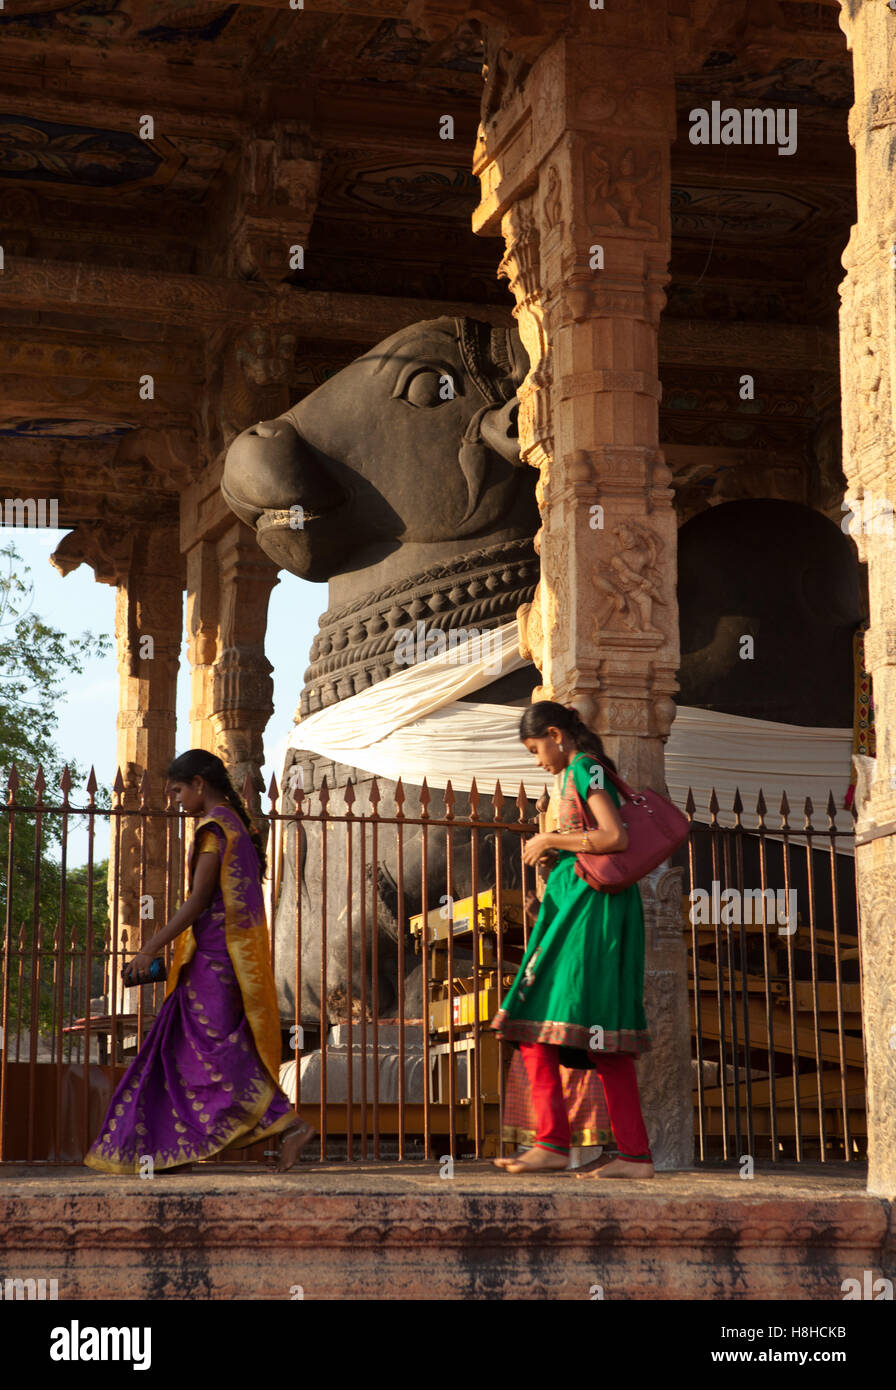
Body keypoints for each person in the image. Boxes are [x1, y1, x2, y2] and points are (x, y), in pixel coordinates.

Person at [84, 750, 314, 1175]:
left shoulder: (213, 829)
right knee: (186, 1049)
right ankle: (178, 1145)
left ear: (199, 785)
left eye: (177, 790)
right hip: (224, 957)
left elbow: (198, 901)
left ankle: (289, 1125)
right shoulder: (237, 824)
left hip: (216, 958)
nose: (174, 799)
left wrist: (151, 945)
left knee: (210, 1052)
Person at [491, 701, 654, 1178]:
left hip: (592, 910)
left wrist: (550, 842)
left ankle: (560, 1145)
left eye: (535, 747)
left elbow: (614, 836)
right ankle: (623, 1153)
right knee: (577, 1029)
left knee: (540, 1014)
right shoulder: (566, 776)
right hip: (571, 904)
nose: (535, 758)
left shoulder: (587, 769)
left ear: (556, 734)